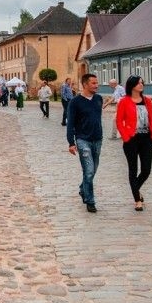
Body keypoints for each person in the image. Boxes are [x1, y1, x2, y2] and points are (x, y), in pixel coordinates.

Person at [116, 75, 152, 212]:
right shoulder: (124, 101)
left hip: (146, 139)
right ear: (132, 85)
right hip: (131, 140)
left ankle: (136, 189)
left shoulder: (147, 101)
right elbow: (119, 121)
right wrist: (126, 137)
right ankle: (137, 200)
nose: (142, 85)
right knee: (133, 170)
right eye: (139, 83)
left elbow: (151, 119)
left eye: (142, 83)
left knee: (146, 170)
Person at [66, 74, 103, 213]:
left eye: (96, 82)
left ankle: (83, 189)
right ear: (85, 84)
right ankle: (90, 200)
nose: (96, 85)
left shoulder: (98, 99)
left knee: (93, 170)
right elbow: (70, 124)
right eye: (93, 83)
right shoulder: (75, 102)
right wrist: (71, 142)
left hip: (98, 139)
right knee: (88, 170)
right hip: (82, 140)